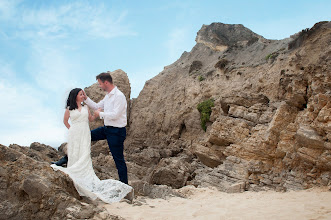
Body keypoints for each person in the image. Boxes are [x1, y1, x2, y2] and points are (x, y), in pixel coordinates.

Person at [51, 88, 132, 203]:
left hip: (89, 132)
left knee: (86, 152)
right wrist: (72, 131)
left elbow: (91, 118)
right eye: (81, 94)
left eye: (83, 95)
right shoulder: (69, 109)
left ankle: (124, 185)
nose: (83, 96)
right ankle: (65, 160)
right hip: (75, 133)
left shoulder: (85, 107)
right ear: (75, 96)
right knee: (75, 151)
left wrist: (97, 113)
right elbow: (65, 121)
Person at [83, 72, 129, 185]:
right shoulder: (108, 96)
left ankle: (125, 186)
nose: (99, 86)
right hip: (107, 129)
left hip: (117, 132)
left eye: (100, 84)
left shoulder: (119, 96)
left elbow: (115, 115)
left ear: (106, 82)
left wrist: (100, 114)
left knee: (118, 160)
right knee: (85, 136)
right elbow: (96, 106)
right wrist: (86, 98)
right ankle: (67, 158)